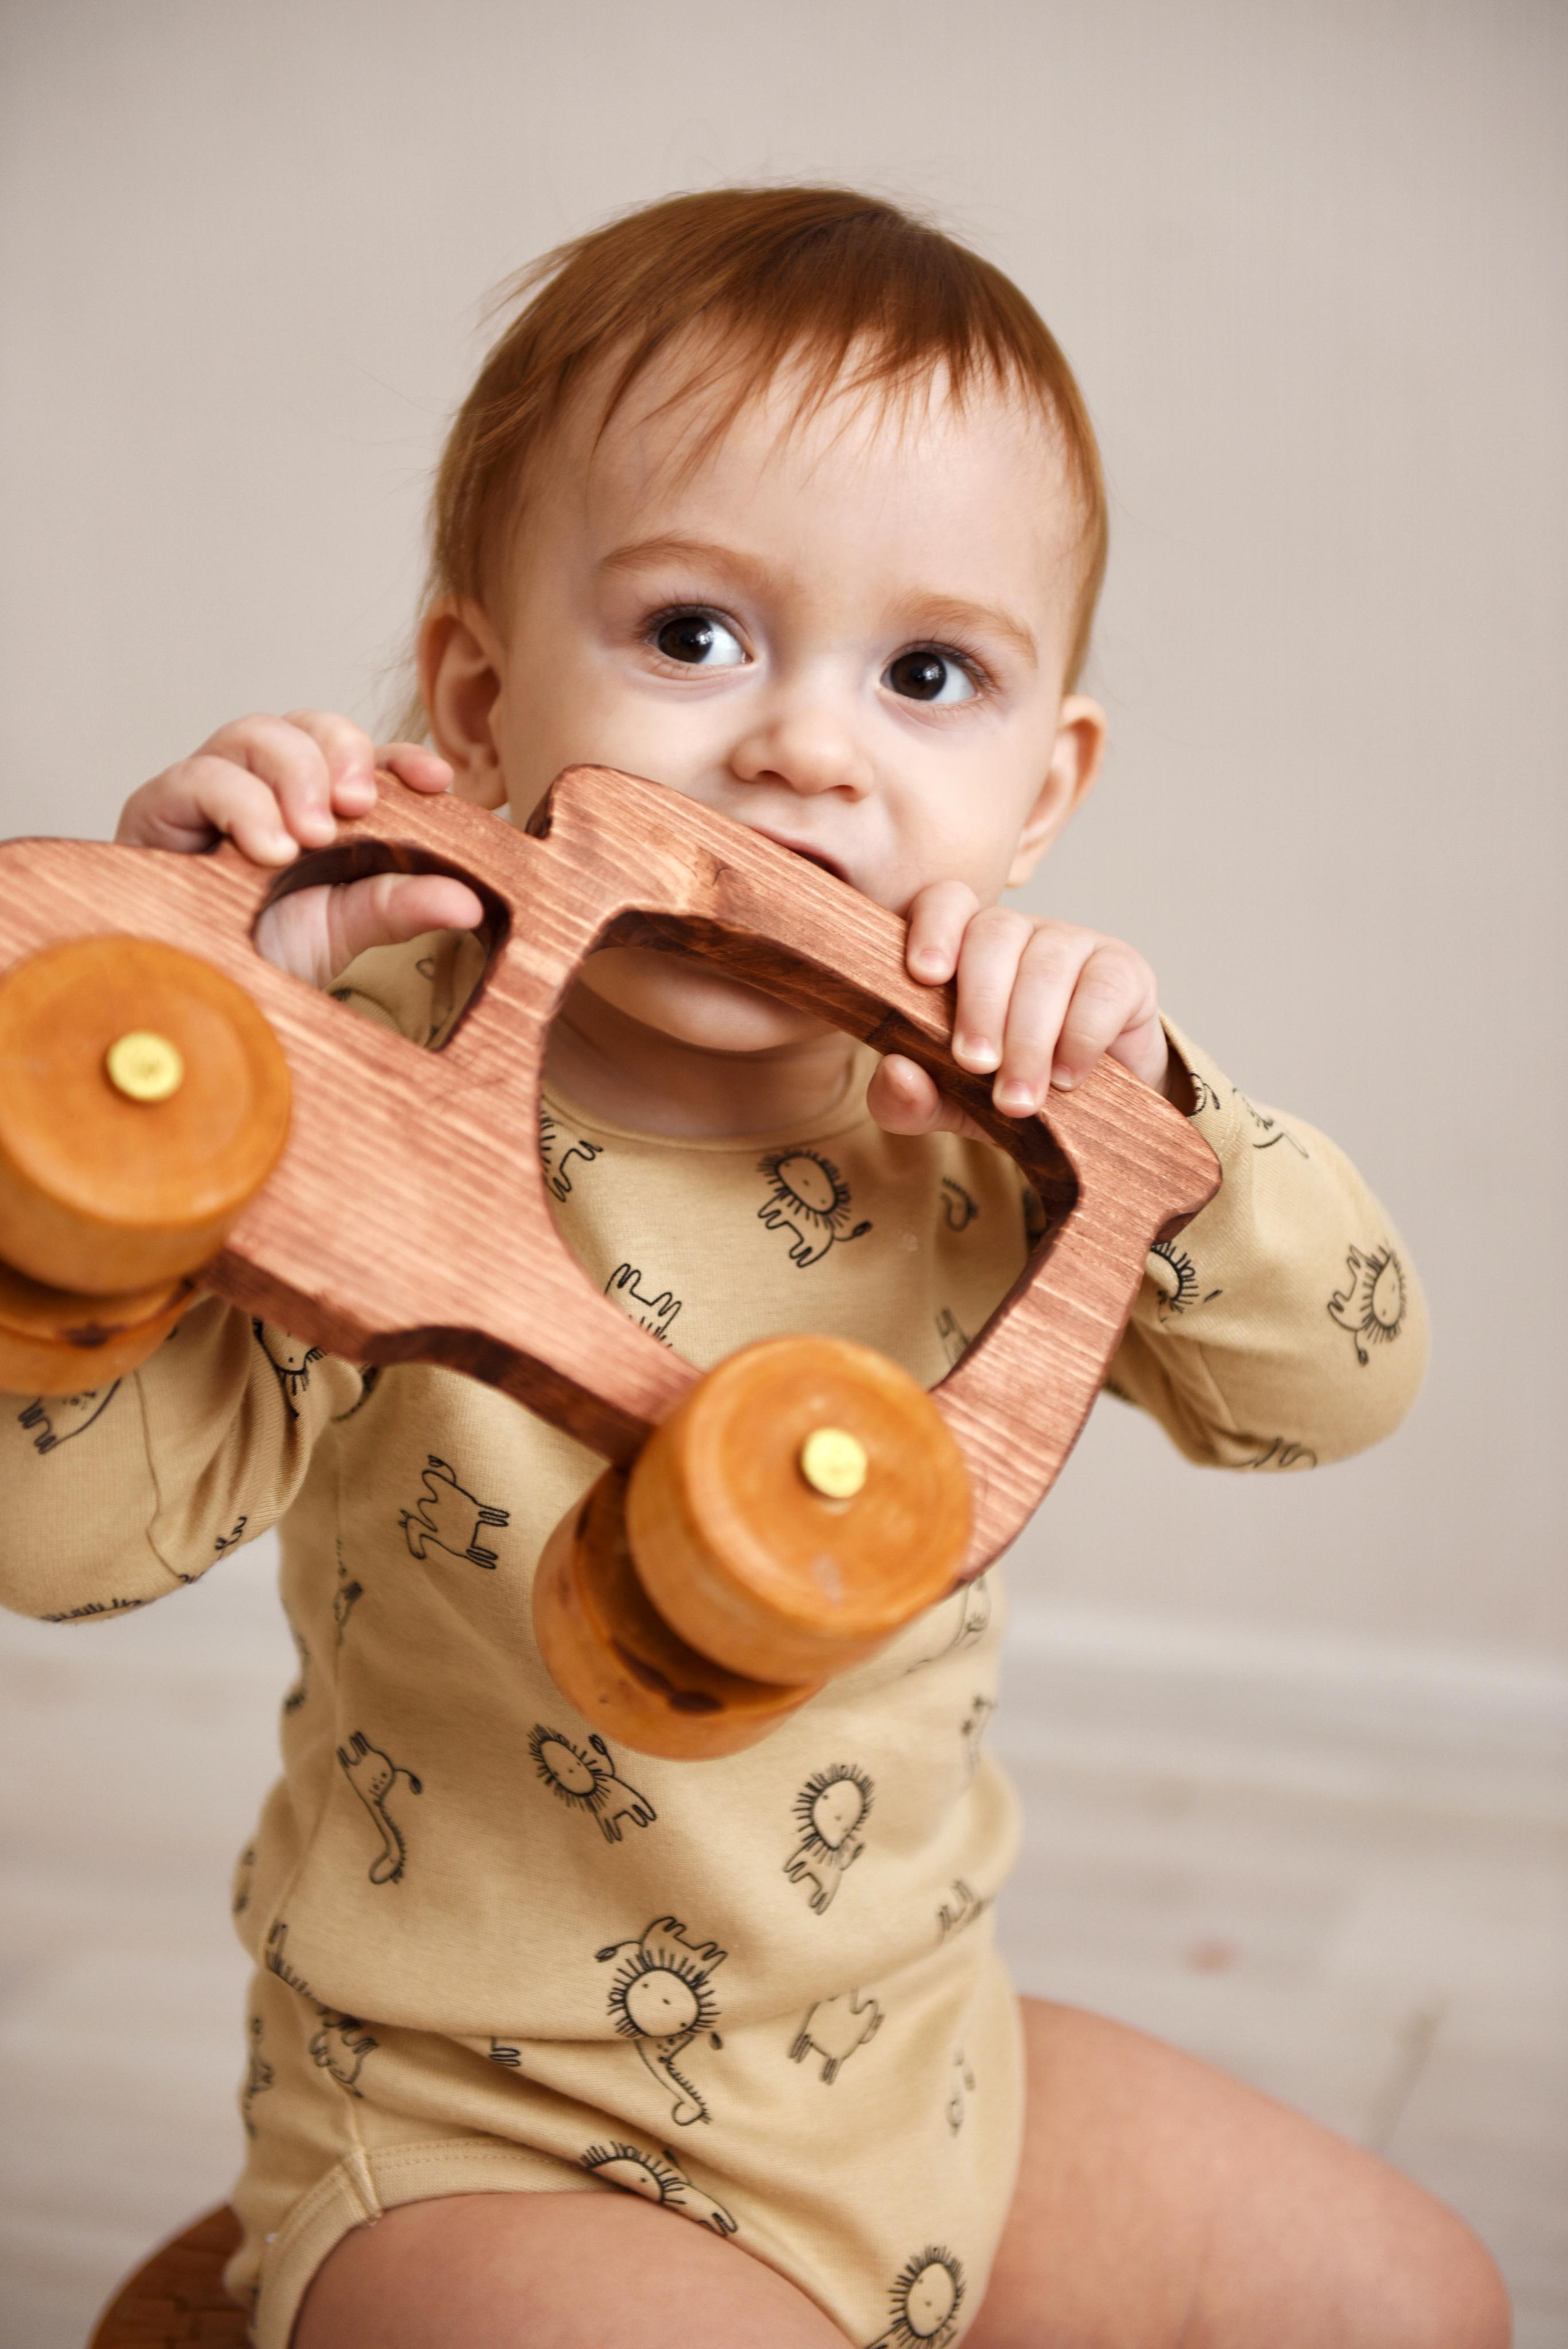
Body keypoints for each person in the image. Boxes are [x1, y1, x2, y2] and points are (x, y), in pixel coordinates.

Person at [2, 188, 1507, 2349]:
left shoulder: (990, 1142)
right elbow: (54, 1539)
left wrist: (1154, 1108)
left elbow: (1345, 1378)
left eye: (928, 675)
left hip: (917, 2087)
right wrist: (174, 1068)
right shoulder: (363, 1073)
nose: (810, 747)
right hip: (472, 2134)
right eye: (695, 634)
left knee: (1407, 2291)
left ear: (1040, 784)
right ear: (479, 695)